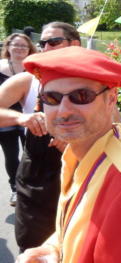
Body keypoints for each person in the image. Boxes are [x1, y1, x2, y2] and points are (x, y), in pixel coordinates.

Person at [16, 46, 121, 263]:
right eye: (51, 98)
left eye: (81, 96)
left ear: (111, 100)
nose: (63, 110)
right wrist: (55, 248)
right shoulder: (89, 150)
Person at [0, 22, 81, 252]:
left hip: (78, 175)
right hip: (35, 180)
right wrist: (20, 119)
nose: (46, 47)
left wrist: (76, 141)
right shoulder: (28, 81)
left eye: (53, 42)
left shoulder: (93, 83)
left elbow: (113, 125)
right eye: (42, 43)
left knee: (73, 246)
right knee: (33, 247)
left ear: (74, 44)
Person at [0, 33, 36, 206]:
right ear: (8, 47)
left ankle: (29, 187)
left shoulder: (35, 68)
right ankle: (15, 189)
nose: (20, 49)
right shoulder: (0, 67)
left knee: (30, 155)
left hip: (29, 117)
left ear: (30, 49)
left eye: (24, 46)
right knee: (11, 156)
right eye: (16, 45)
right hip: (5, 119)